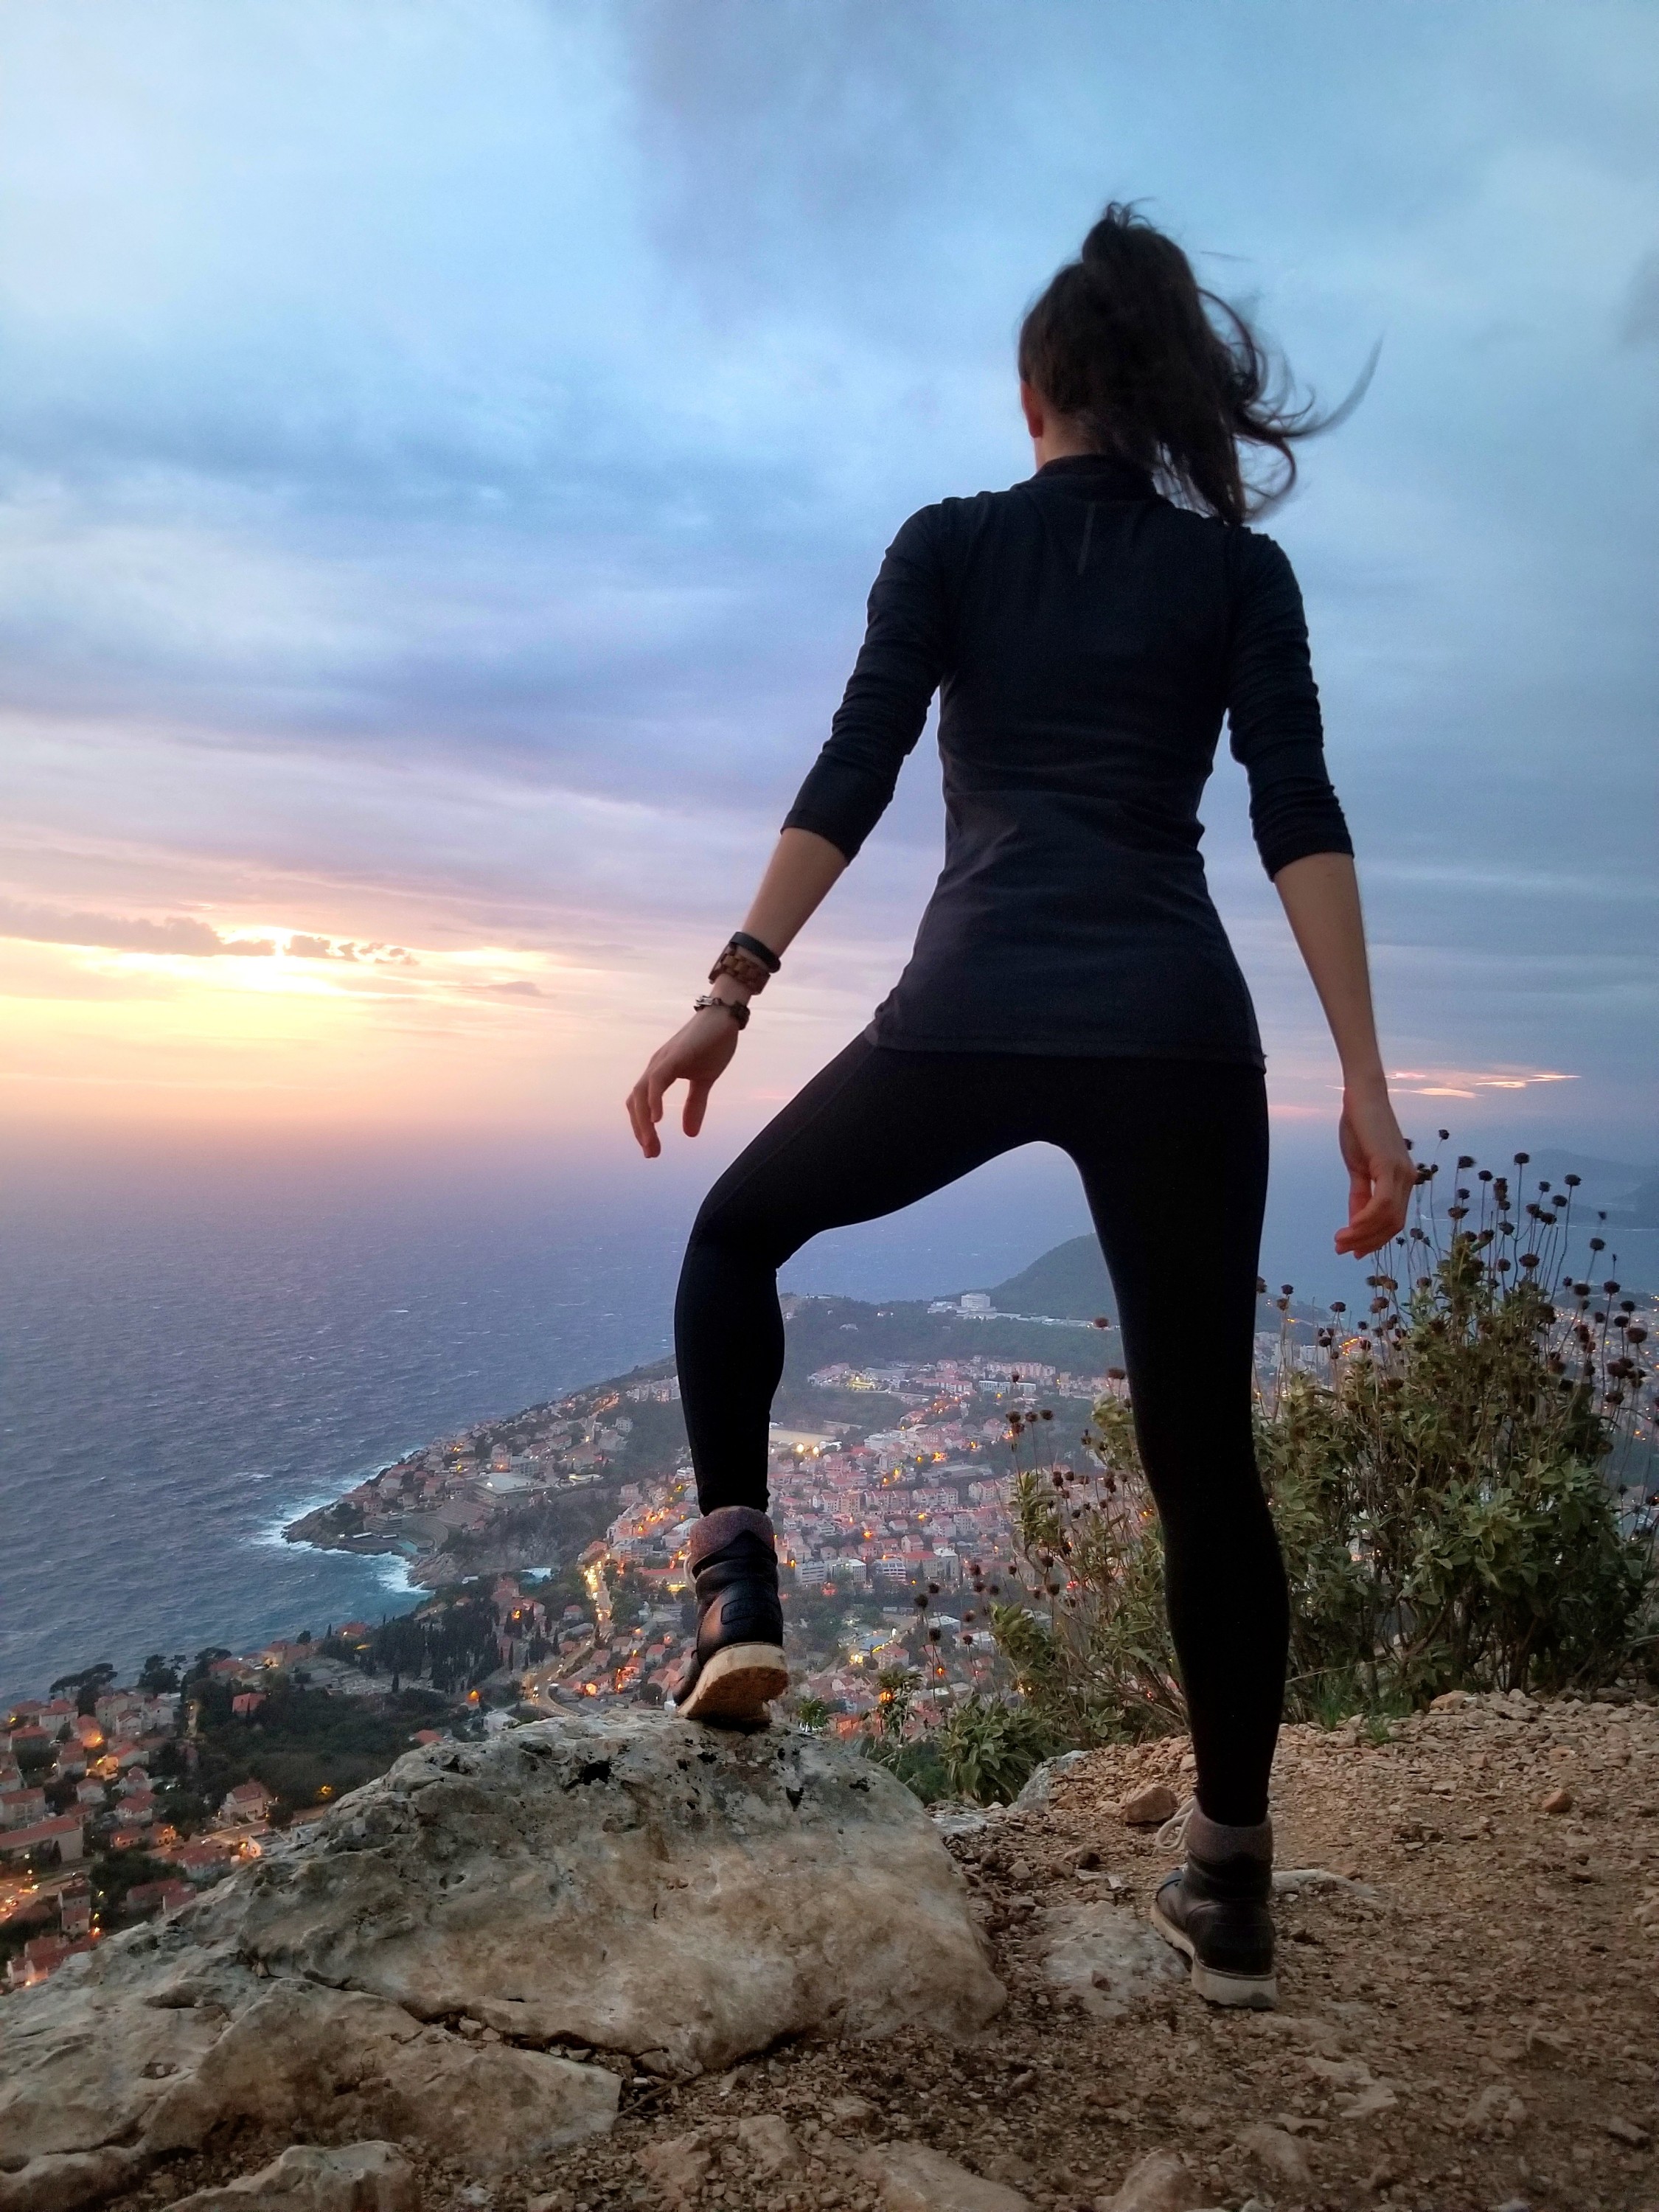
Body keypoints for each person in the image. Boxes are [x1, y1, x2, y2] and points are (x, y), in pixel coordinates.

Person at [625, 206, 1413, 2009]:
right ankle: (1230, 1889)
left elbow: (857, 765)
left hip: (970, 1009)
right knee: (1206, 1455)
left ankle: (737, 1594)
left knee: (736, 1235)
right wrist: (1368, 1082)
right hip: (1179, 1035)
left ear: (1037, 391)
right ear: (1156, 406)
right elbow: (1300, 812)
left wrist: (727, 994)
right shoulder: (1237, 577)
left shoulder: (949, 546)